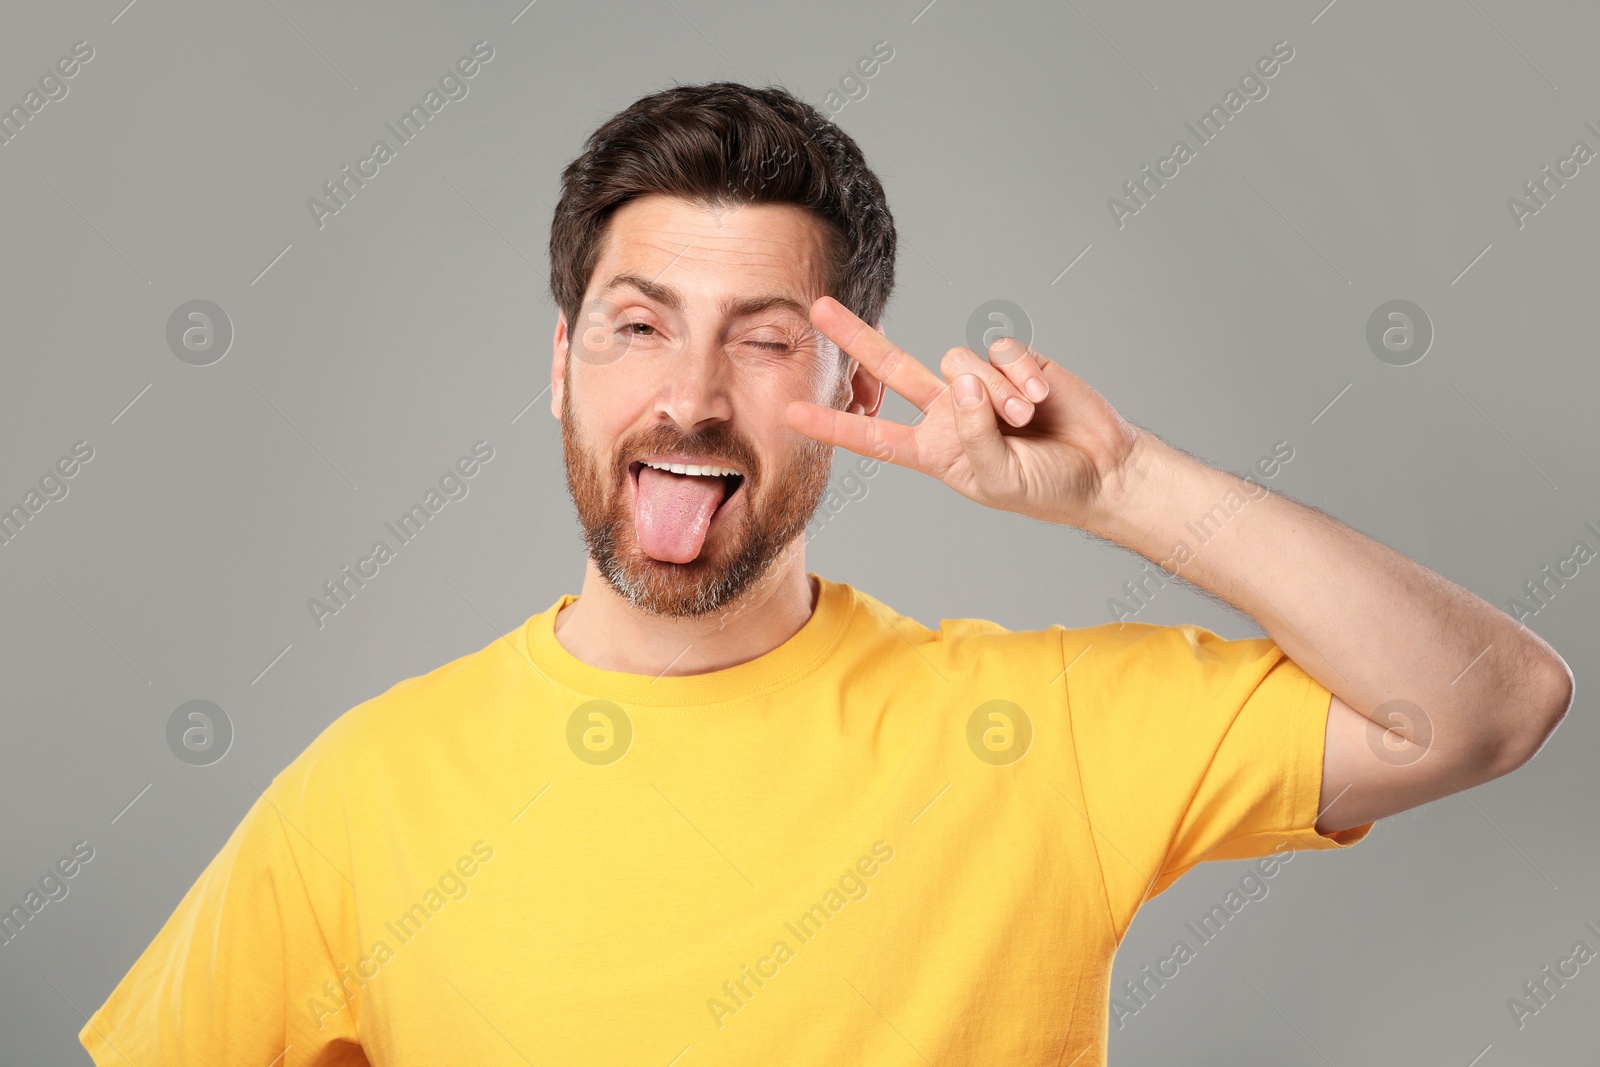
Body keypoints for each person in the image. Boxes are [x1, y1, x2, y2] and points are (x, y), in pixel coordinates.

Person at [81, 81, 1571, 1066]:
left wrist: (1125, 487)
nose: (692, 397)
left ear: (857, 399)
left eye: (767, 335)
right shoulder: (366, 791)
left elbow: (1485, 707)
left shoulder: (1033, 736)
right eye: (639, 324)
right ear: (560, 365)